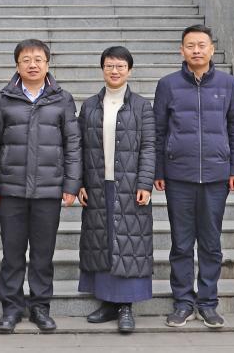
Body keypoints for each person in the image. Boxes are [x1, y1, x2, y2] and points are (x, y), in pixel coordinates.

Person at [0, 39, 81, 333]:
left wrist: (71, 184)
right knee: (12, 254)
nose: (33, 65)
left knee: (42, 255)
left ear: (48, 64)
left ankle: (40, 307)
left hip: (49, 189)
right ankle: (11, 308)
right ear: (17, 65)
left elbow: (73, 145)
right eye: (26, 60)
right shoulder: (2, 99)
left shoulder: (62, 99)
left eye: (38, 59)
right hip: (11, 189)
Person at [153, 24, 234, 329]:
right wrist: (159, 170)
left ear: (211, 49)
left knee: (210, 243)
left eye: (201, 45)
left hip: (216, 176)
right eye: (190, 45)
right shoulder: (167, 85)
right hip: (178, 176)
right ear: (182, 50)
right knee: (181, 243)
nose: (196, 50)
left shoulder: (228, 84)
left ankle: (207, 303)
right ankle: (182, 302)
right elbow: (158, 131)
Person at [77, 46, 155, 334]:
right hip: (98, 183)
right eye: (109, 66)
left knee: (129, 242)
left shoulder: (142, 106)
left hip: (130, 185)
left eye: (120, 66)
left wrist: (145, 183)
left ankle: (126, 306)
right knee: (103, 241)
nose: (114, 71)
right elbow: (79, 147)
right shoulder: (90, 106)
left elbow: (149, 147)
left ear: (129, 71)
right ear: (102, 69)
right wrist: (79, 183)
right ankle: (107, 301)